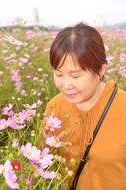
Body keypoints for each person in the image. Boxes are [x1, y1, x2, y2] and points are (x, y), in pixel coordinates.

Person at [43, 22, 126, 190]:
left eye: (75, 75)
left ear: (101, 70)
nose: (65, 85)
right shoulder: (55, 106)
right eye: (58, 74)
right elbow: (44, 163)